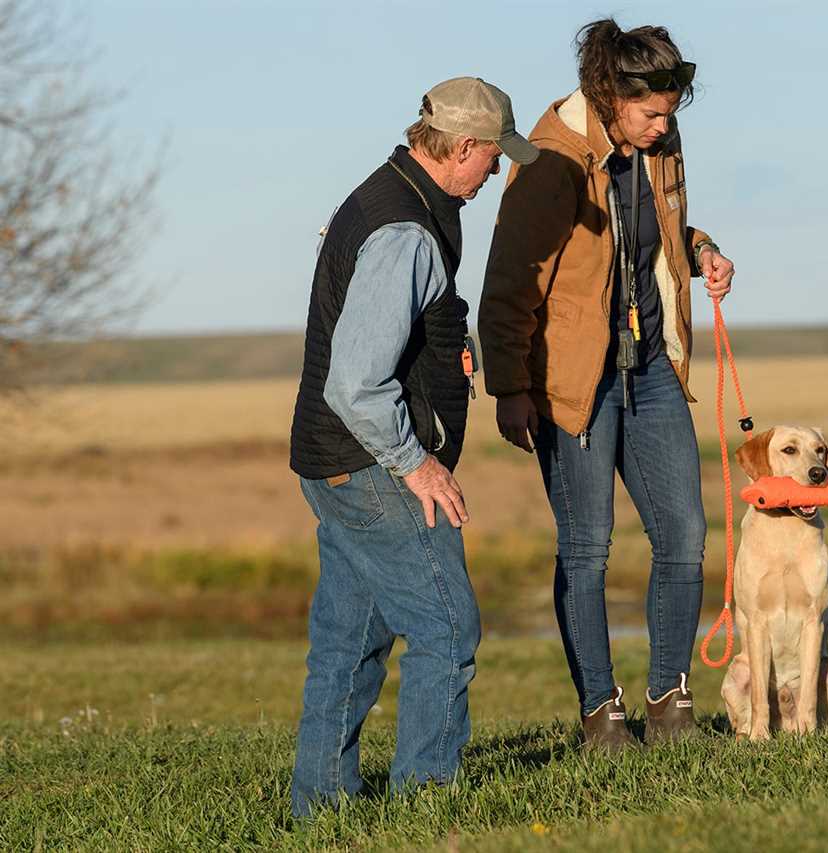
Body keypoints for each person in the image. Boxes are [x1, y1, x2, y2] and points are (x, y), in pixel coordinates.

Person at [479, 19, 735, 749]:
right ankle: (601, 712)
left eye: (670, 115)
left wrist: (704, 250)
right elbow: (508, 282)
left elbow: (661, 233)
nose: (664, 127)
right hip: (573, 379)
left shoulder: (661, 147)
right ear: (611, 95)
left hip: (652, 369)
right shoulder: (554, 157)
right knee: (587, 548)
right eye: (651, 114)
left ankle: (671, 702)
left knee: (684, 534)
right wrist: (509, 386)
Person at [287, 77, 537, 816]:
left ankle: (321, 804)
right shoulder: (405, 232)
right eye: (492, 158)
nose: (495, 173)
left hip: (332, 461)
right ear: (463, 147)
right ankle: (427, 804)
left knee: (351, 636)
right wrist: (417, 463)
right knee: (446, 625)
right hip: (369, 464)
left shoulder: (385, 194)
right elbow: (357, 384)